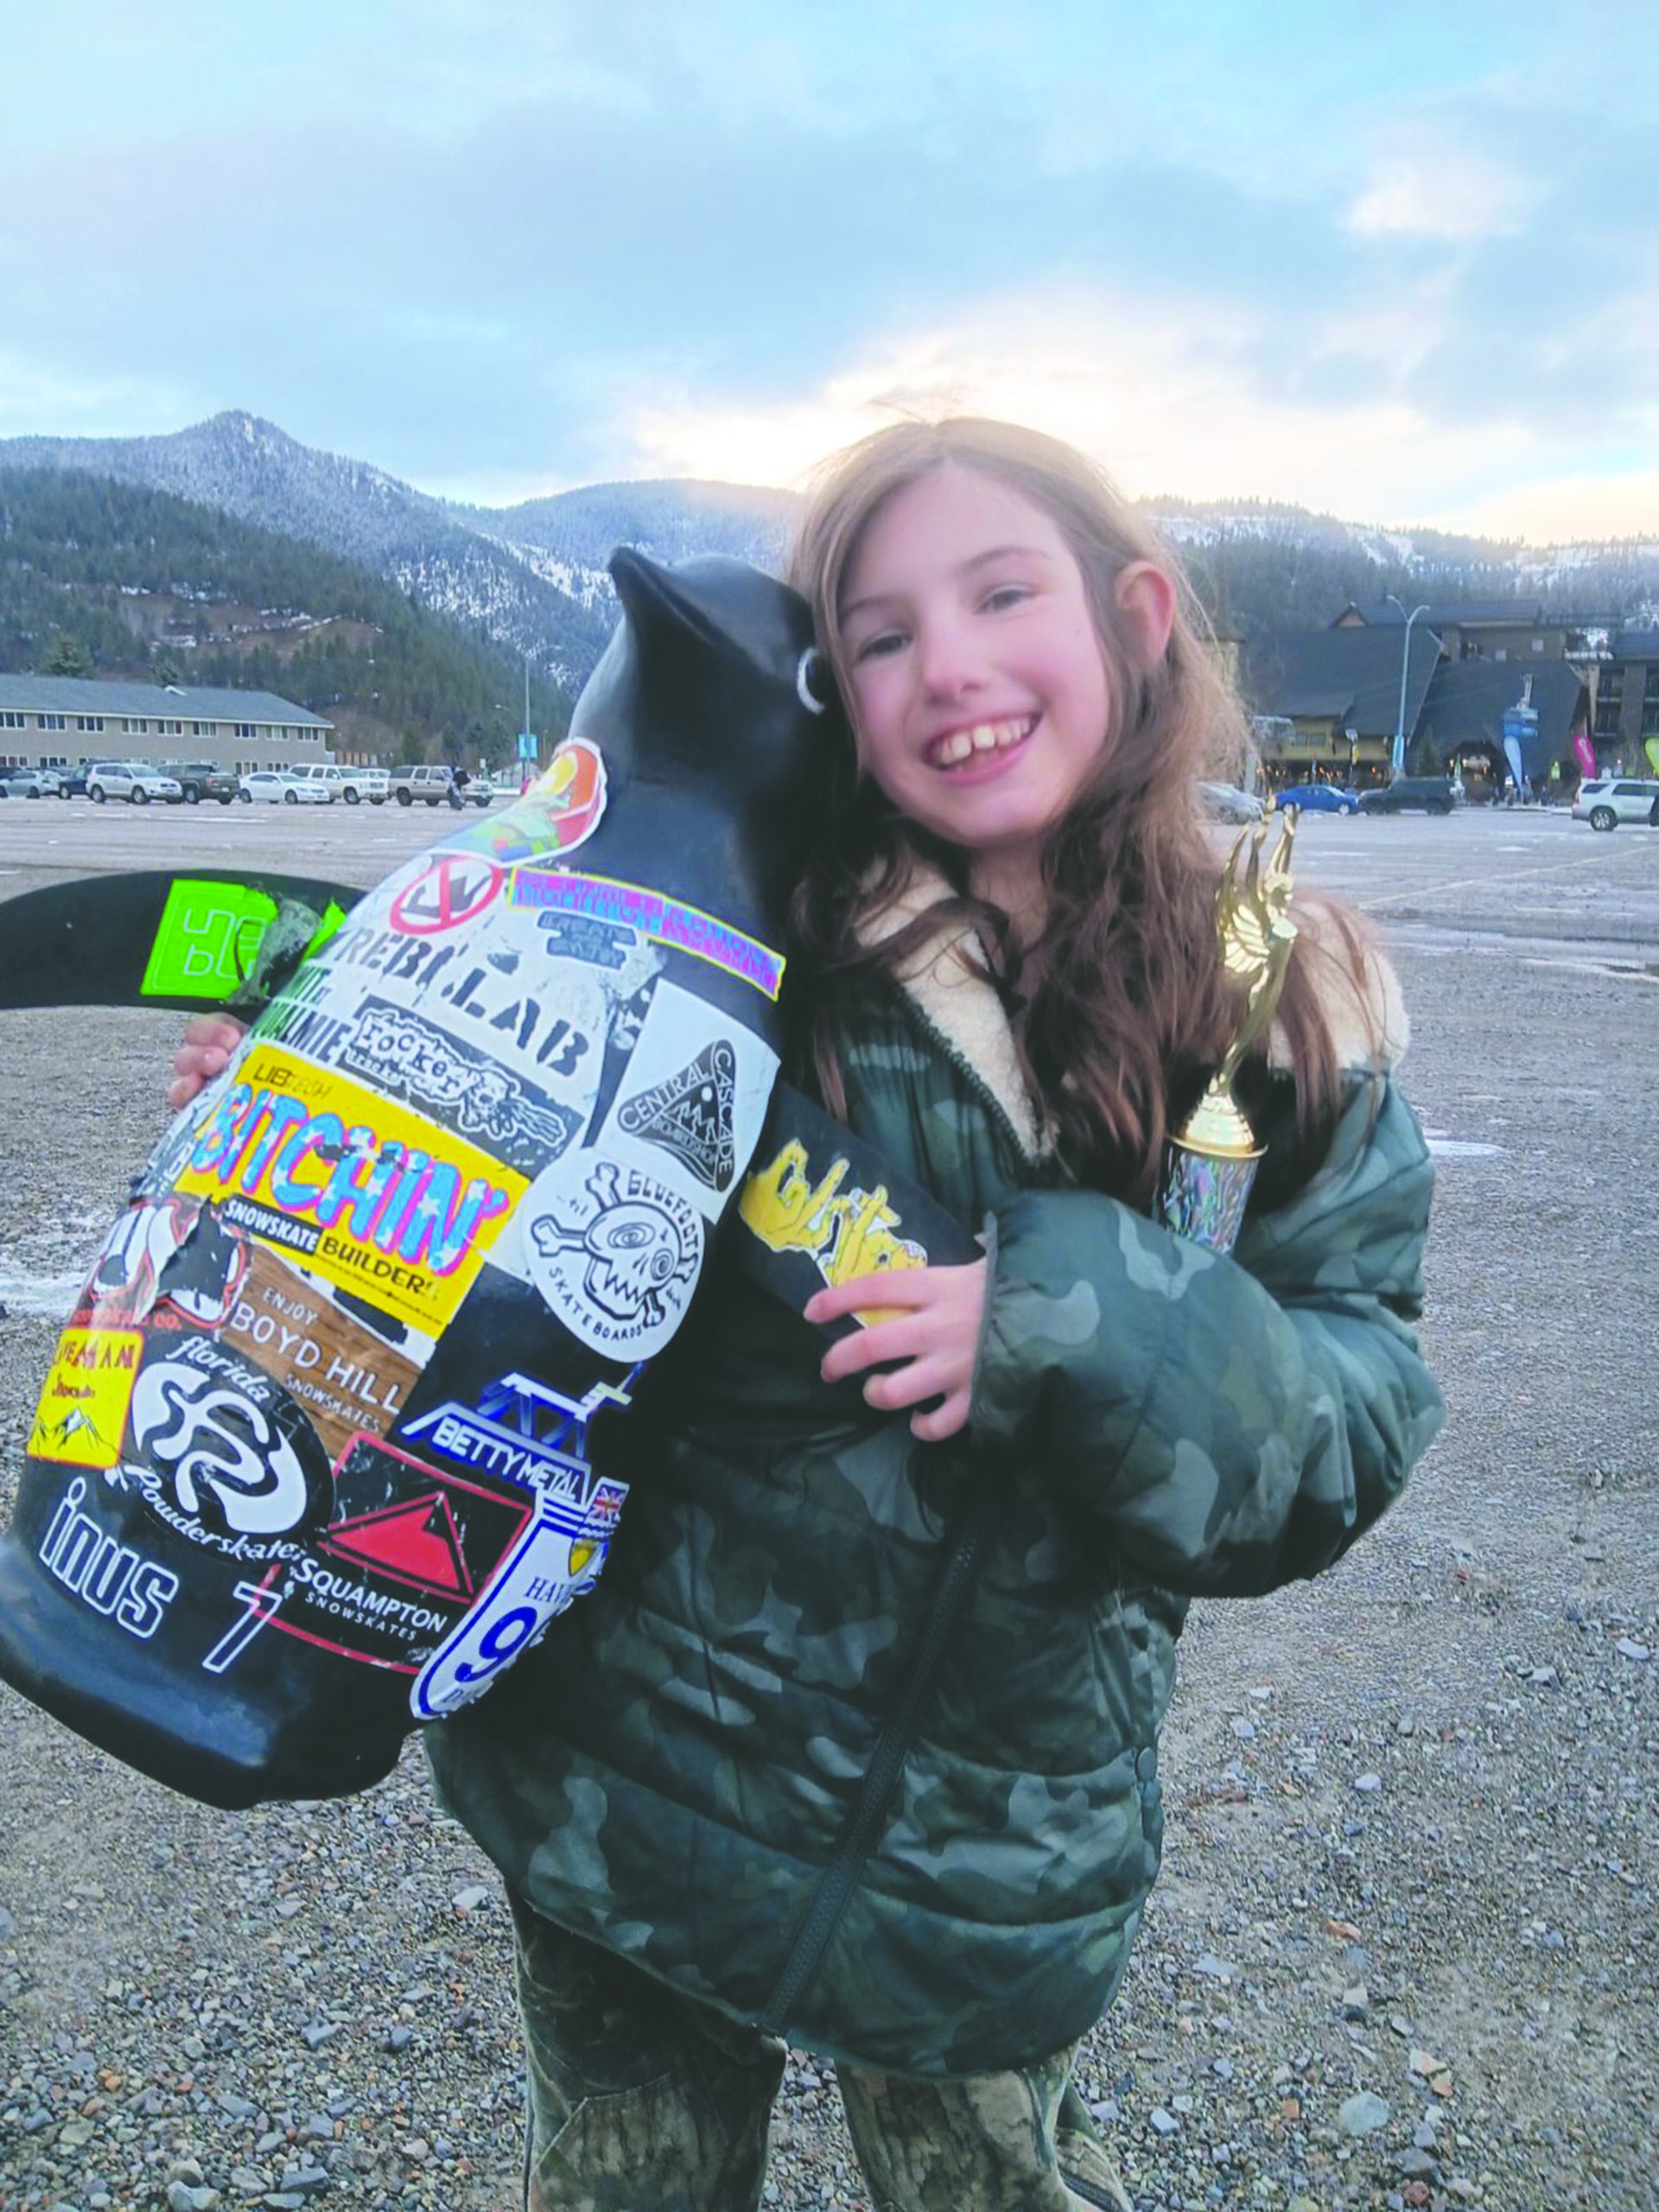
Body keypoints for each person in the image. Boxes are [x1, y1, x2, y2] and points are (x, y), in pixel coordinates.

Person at [169, 417, 1444, 2212]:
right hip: (624, 1784)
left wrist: (1072, 1311)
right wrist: (302, 1110)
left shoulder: (1277, 993)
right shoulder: (727, 933)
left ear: (1137, 614)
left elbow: (1356, 1396)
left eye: (1003, 594)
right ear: (833, 688)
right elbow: (471, 1225)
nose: (954, 667)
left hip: (984, 1853)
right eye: (885, 633)